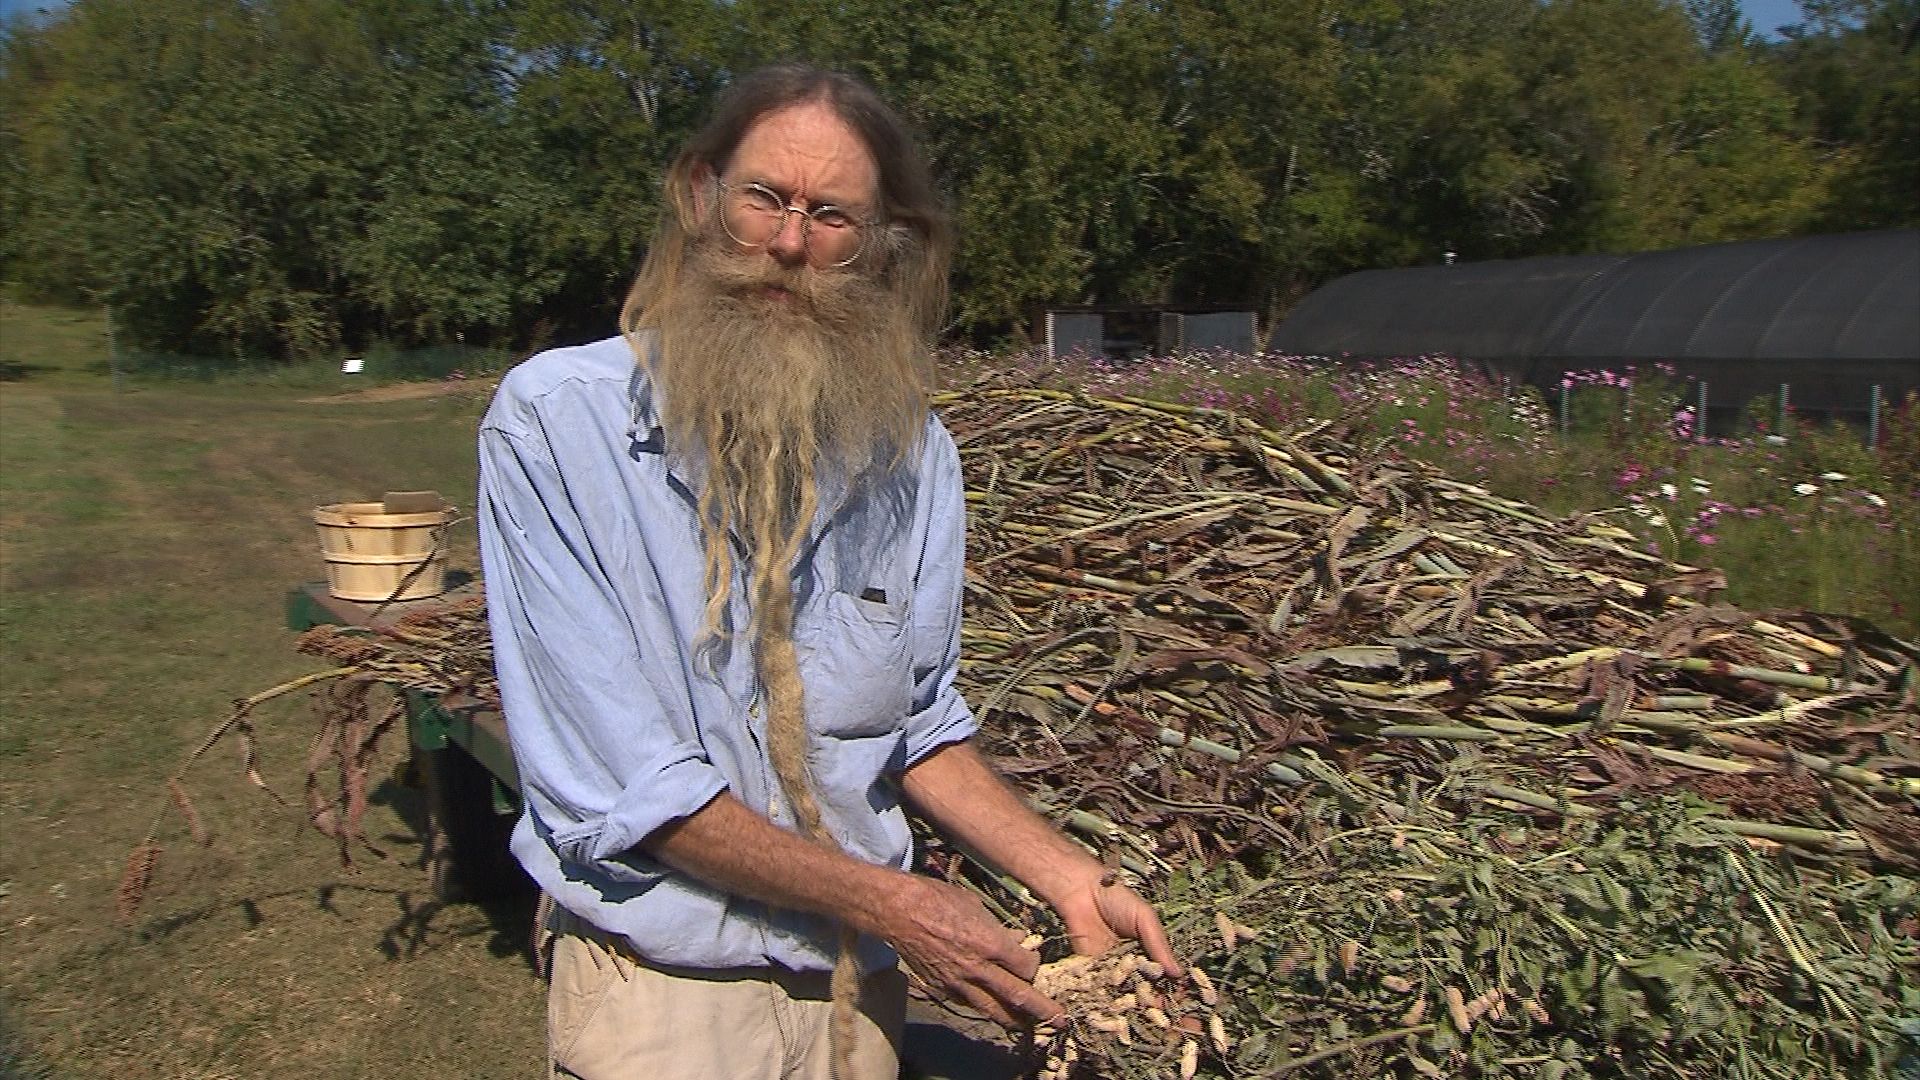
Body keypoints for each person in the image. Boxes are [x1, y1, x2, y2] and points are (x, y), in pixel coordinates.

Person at [477, 64, 1179, 1080]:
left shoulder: (909, 453)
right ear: (700, 194)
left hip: (858, 999)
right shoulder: (558, 423)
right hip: (668, 1010)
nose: (791, 244)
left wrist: (1069, 877)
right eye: (765, 197)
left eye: (833, 215)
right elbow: (626, 786)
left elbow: (917, 720)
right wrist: (895, 903)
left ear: (884, 241)